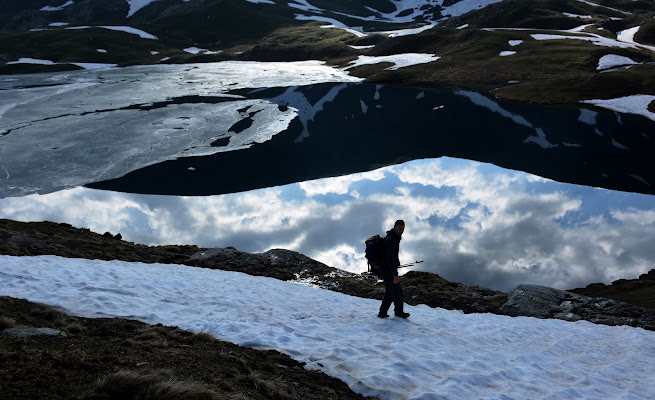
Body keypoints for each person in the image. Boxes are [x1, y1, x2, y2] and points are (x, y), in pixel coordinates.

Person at [378, 220, 410, 319]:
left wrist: (397, 263)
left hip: (385, 269)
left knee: (389, 292)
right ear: (395, 227)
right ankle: (399, 312)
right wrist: (395, 274)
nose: (401, 231)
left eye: (403, 229)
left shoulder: (393, 237)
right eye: (399, 228)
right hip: (388, 270)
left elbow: (393, 256)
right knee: (398, 292)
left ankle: (382, 313)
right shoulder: (392, 239)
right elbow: (390, 258)